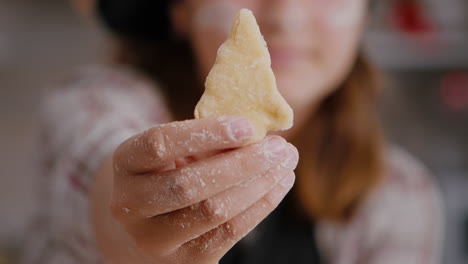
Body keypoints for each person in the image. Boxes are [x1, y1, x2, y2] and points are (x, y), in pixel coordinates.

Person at [21, 0, 444, 263]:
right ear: (180, 8)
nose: (285, 15)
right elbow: (99, 166)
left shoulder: (401, 195)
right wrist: (139, 229)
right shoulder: (95, 101)